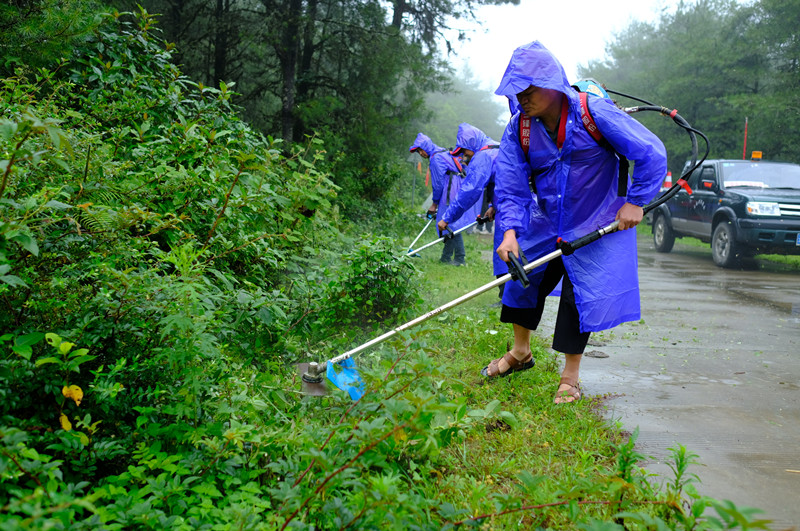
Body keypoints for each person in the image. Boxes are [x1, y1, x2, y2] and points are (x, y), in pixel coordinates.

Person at [488, 41, 667, 403]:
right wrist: (509, 232)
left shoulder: (592, 113)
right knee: (522, 276)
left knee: (577, 292)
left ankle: (570, 376)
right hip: (546, 219)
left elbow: (650, 152)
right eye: (516, 90)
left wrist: (635, 202)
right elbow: (509, 184)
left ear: (553, 84)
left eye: (530, 88)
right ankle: (521, 352)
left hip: (595, 218)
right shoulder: (519, 128)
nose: (522, 97)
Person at [409, 133, 479, 265]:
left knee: (449, 224)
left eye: (420, 150)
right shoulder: (443, 152)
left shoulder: (436, 159)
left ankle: (460, 258)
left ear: (426, 146)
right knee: (448, 223)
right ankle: (445, 257)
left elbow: (438, 183)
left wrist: (434, 204)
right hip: (457, 187)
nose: (421, 153)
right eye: (418, 152)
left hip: (449, 191)